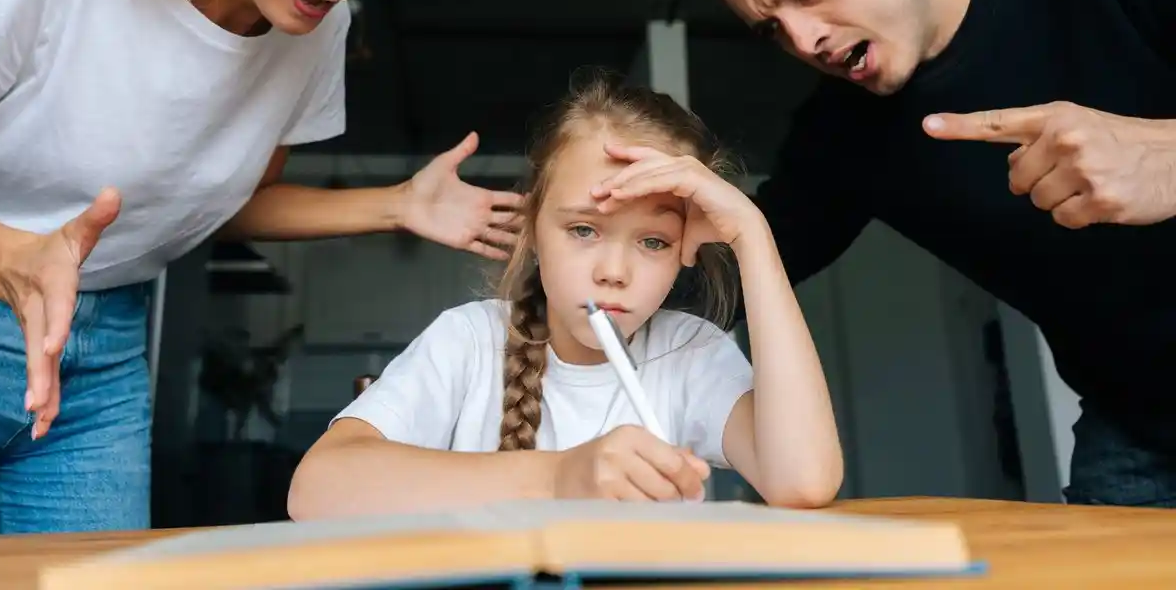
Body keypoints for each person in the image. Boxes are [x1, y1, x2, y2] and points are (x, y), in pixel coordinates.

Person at [0, 0, 523, 535]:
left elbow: (219, 203)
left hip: (101, 354)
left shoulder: (312, 30)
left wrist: (397, 204)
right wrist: (1, 251)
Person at [710, 0, 1176, 508]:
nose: (805, 39)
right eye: (773, 30)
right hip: (1138, 428)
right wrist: (571, 234)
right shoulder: (842, 132)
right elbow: (738, 262)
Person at [286, 73, 843, 519]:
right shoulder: (471, 341)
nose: (614, 272)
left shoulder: (688, 353)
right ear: (532, 230)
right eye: (583, 230)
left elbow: (804, 481)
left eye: (654, 241)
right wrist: (560, 477)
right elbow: (315, 490)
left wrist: (753, 235)